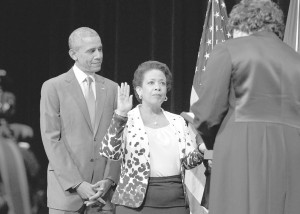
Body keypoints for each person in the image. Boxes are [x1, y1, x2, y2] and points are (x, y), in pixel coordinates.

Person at [191, 0, 300, 214]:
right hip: (291, 156)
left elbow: (207, 114)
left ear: (241, 25)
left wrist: (207, 140)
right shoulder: (296, 60)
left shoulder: (228, 50)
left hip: (240, 149)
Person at [90, 60, 204, 214]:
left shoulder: (177, 121)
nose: (158, 87)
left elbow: (188, 163)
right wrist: (120, 114)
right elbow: (109, 151)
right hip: (133, 205)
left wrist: (202, 151)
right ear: (139, 90)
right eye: (151, 83)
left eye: (162, 83)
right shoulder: (125, 119)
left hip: (175, 203)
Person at [40, 27, 121, 214]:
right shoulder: (53, 87)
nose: (99, 55)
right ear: (73, 54)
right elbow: (51, 139)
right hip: (67, 194)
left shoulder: (112, 88)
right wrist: (77, 183)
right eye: (91, 50)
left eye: (100, 49)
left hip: (103, 194)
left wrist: (109, 179)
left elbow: (118, 140)